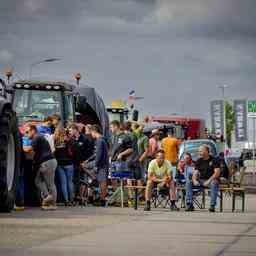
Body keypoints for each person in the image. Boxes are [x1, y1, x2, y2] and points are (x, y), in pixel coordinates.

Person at [24, 124, 57, 210]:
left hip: (47, 162)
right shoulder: (39, 137)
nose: (26, 134)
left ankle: (52, 203)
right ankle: (47, 198)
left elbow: (28, 150)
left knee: (50, 184)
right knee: (37, 180)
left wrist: (20, 147)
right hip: (47, 162)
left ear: (33, 131)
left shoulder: (37, 137)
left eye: (27, 132)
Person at [185, 145, 220, 212]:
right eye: (199, 151)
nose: (199, 152)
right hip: (201, 180)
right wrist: (194, 180)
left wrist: (209, 181)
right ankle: (189, 204)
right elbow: (195, 172)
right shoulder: (199, 160)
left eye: (201, 151)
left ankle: (212, 205)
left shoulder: (214, 160)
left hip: (211, 180)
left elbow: (217, 173)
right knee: (189, 182)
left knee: (214, 183)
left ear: (206, 151)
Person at [69, 124, 94, 205]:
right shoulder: (71, 139)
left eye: (71, 130)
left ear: (75, 130)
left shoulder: (85, 139)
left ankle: (81, 197)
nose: (70, 132)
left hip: (83, 163)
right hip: (73, 163)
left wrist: (85, 161)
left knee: (82, 181)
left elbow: (89, 152)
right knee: (75, 180)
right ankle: (76, 196)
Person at [84, 125, 109, 206]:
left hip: (101, 164)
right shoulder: (103, 140)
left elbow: (98, 154)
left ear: (94, 131)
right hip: (103, 163)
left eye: (91, 133)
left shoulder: (99, 141)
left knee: (102, 181)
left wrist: (95, 166)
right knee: (102, 181)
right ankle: (94, 178)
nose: (91, 135)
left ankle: (102, 199)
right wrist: (88, 160)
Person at [54, 126, 74, 206]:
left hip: (59, 164)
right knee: (70, 182)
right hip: (69, 163)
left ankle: (66, 200)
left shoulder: (55, 141)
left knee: (63, 183)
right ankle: (71, 199)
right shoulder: (68, 141)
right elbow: (71, 153)